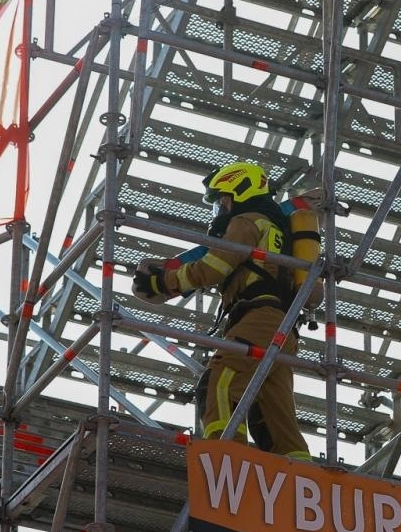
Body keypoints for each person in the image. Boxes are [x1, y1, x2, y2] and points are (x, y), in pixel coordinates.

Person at [132, 162, 311, 460]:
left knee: (220, 380)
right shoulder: (275, 228)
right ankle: (298, 470)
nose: (221, 209)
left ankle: (226, 456)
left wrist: (162, 281)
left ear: (240, 192)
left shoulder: (246, 221)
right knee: (273, 409)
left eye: (223, 200)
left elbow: (214, 266)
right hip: (282, 327)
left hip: (259, 319)